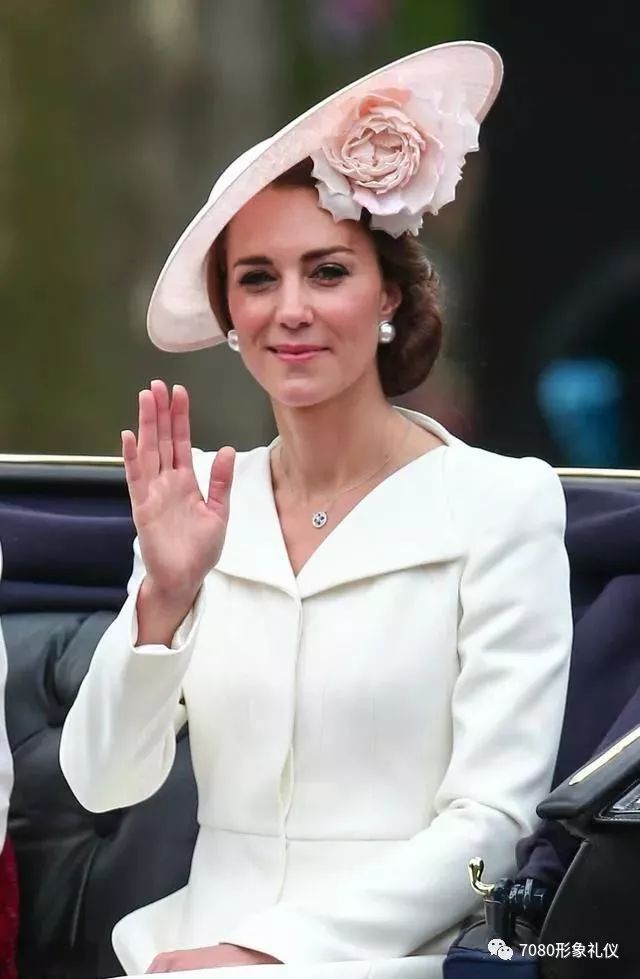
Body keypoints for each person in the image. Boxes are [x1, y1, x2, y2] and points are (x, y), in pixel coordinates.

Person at [59, 42, 573, 978]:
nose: (290, 308)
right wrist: (163, 599)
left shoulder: (503, 504)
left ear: (388, 295)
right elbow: (101, 781)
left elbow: (491, 828)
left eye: (327, 272)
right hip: (181, 956)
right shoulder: (198, 504)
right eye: (257, 278)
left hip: (397, 961)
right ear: (229, 315)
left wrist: (267, 953)